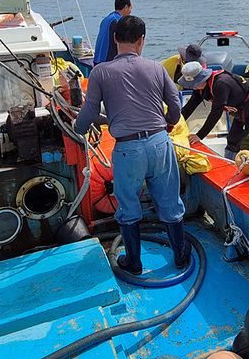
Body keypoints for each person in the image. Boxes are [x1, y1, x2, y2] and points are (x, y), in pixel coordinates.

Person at [74, 15, 190, 273]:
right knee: (170, 203)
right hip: (160, 143)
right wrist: (169, 123)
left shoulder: (100, 71)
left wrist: (76, 128)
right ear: (142, 40)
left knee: (128, 207)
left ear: (115, 39)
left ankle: (134, 263)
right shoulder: (157, 68)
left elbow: (90, 113)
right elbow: (175, 104)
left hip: (128, 150)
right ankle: (181, 255)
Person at [179, 61, 249, 166]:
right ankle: (230, 170)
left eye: (193, 84)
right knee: (232, 143)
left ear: (202, 79)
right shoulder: (200, 88)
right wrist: (174, 123)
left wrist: (200, 135)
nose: (193, 87)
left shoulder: (221, 84)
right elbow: (189, 107)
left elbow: (216, 112)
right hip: (241, 114)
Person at [93, 0, 132, 64]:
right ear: (126, 7)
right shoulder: (119, 21)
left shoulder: (107, 19)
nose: (130, 11)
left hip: (98, 59)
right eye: (131, 8)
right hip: (108, 61)